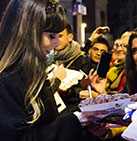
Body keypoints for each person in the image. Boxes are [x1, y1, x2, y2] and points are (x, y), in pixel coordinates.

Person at [0, 0, 95, 140]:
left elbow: (49, 123)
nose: (56, 43)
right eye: (51, 36)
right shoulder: (7, 80)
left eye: (58, 36)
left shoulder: (34, 73)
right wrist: (76, 120)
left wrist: (85, 115)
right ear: (28, 32)